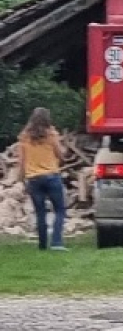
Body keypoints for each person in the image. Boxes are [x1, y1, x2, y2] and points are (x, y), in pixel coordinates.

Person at [18, 107, 68, 251]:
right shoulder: (51, 134)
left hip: (33, 178)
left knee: (40, 212)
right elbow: (60, 154)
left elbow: (21, 161)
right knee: (59, 209)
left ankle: (42, 245)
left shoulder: (24, 137)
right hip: (52, 176)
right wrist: (62, 157)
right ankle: (57, 243)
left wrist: (21, 178)